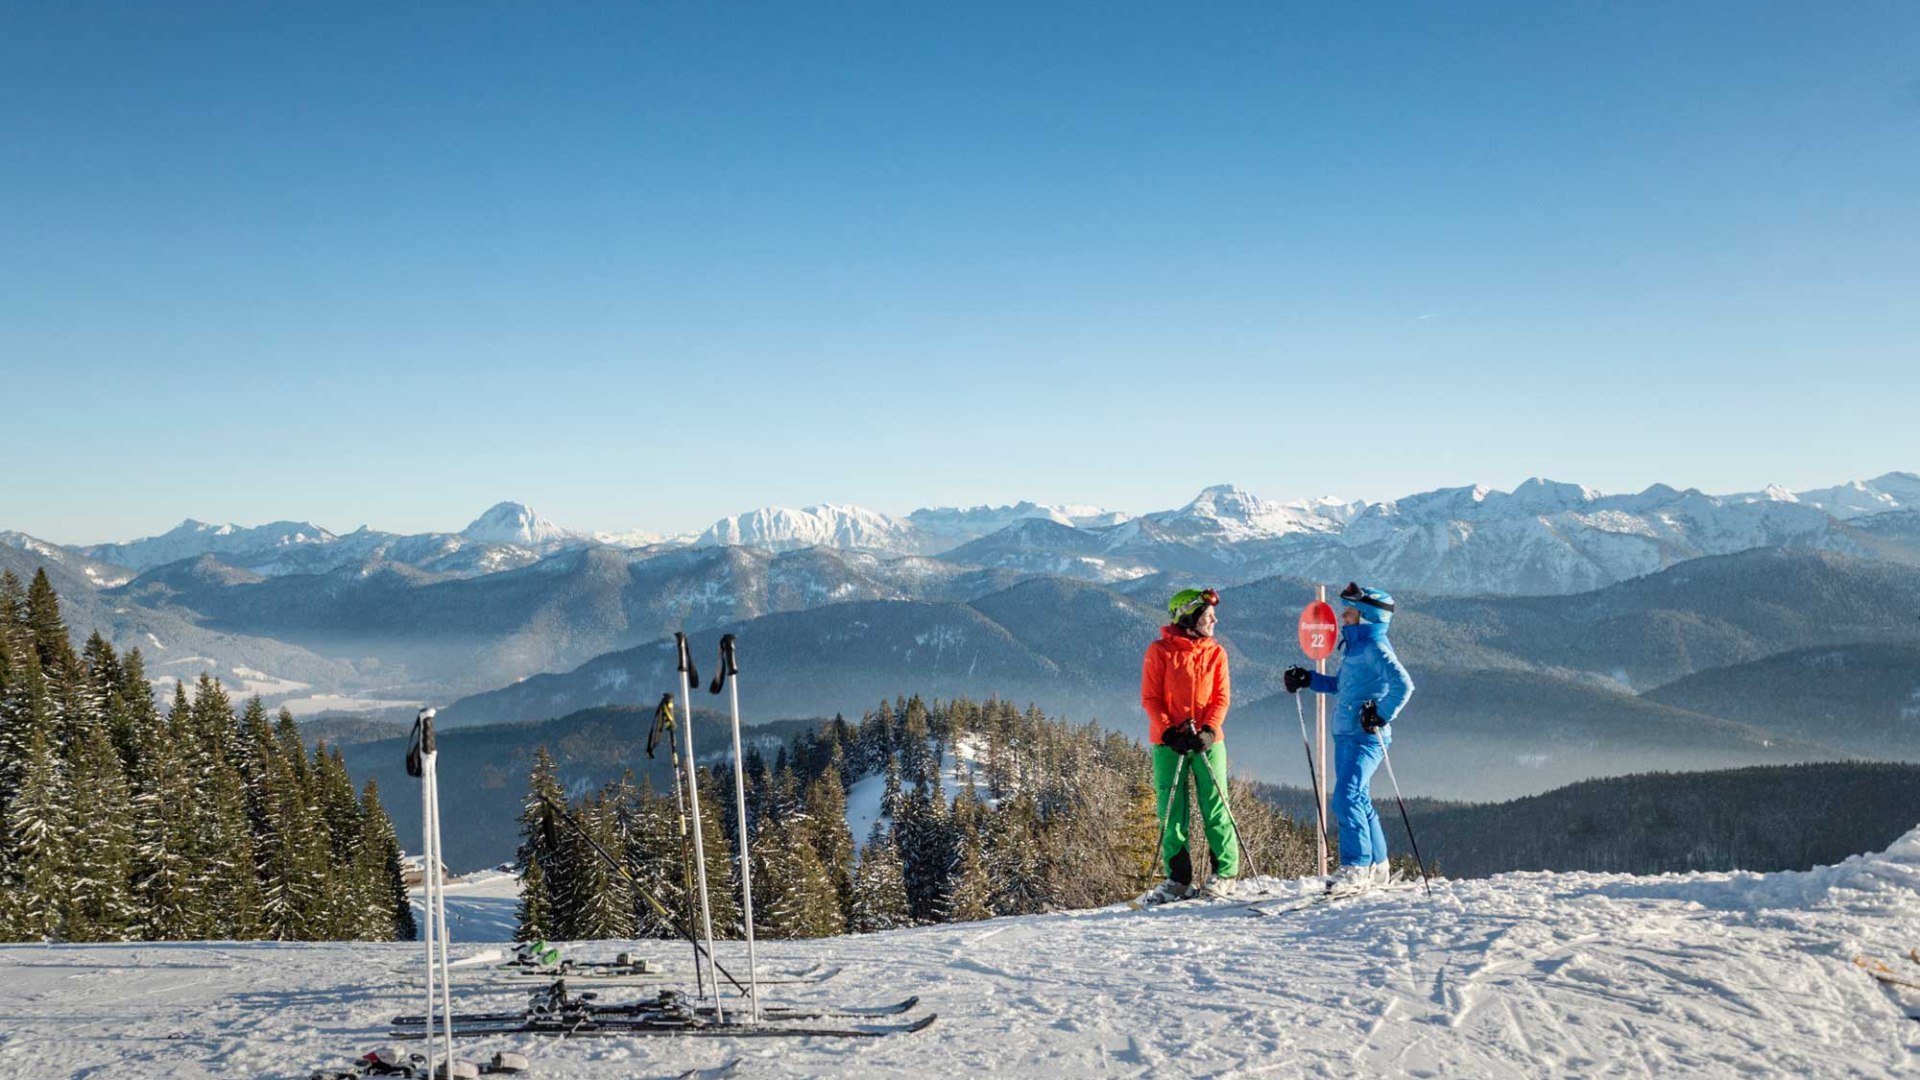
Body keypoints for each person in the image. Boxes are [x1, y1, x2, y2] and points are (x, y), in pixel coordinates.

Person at [1284, 581, 1414, 893]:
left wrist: (1380, 714)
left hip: (1366, 738)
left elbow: (1404, 685)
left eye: (1350, 612)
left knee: (1346, 797)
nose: (1343, 617)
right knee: (1358, 798)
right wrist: (1307, 678)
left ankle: (1356, 867)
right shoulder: (1355, 648)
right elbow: (1340, 687)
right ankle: (1378, 867)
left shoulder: (1375, 648)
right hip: (1345, 734)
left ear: (1367, 616)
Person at [1140, 587, 1242, 903]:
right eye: (1207, 615)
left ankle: (1224, 873)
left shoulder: (1216, 653)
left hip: (1208, 742)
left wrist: (1210, 731)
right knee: (1172, 812)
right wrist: (1169, 732)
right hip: (1168, 743)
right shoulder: (1160, 652)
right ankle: (1179, 879)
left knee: (1216, 806)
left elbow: (1221, 698)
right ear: (1189, 617)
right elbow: (1151, 698)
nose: (1214, 620)